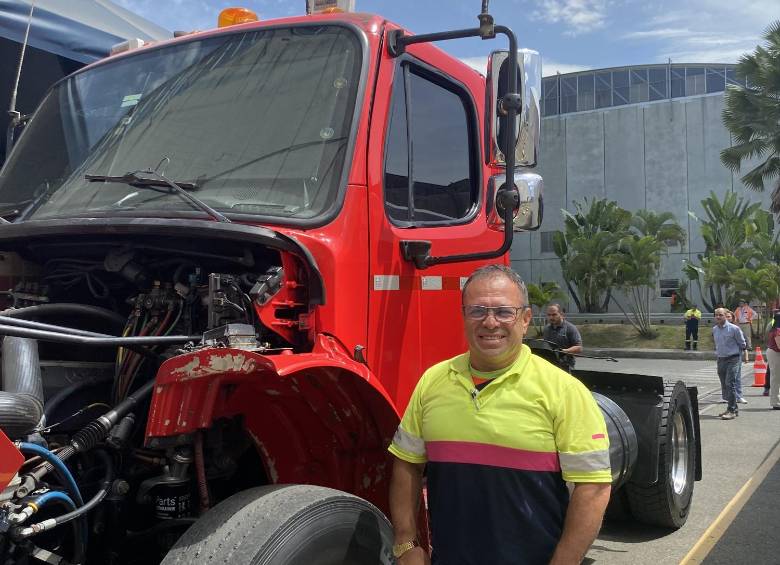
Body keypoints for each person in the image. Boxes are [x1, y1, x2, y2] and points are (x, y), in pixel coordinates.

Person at [388, 265, 611, 565]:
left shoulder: (565, 391)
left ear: (526, 320)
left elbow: (593, 487)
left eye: (504, 312)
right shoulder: (432, 382)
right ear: (464, 317)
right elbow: (407, 463)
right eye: (477, 311)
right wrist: (405, 543)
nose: (490, 322)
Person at [713, 307, 746, 420]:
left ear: (725, 315)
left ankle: (731, 410)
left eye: (720, 315)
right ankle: (732, 408)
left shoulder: (734, 329)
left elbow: (742, 343)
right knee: (724, 384)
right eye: (716, 315)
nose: (718, 317)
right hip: (721, 359)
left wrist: (739, 355)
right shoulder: (715, 329)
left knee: (729, 383)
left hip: (733, 359)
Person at [543, 303, 583, 371]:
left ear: (561, 314)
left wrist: (563, 351)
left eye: (554, 314)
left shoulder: (570, 328)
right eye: (549, 315)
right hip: (550, 366)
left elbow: (579, 348)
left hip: (566, 367)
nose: (551, 317)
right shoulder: (546, 329)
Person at [724, 311, 747, 404]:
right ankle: (726, 396)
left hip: (736, 356)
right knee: (725, 378)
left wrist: (745, 353)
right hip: (723, 356)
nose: (727, 318)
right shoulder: (717, 329)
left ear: (733, 318)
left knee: (736, 377)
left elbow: (743, 342)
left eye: (729, 317)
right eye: (726, 316)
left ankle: (739, 396)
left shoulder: (736, 328)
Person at [764, 312, 780, 409]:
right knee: (776, 379)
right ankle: (776, 403)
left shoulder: (773, 328)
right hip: (776, 353)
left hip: (773, 352)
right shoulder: (778, 330)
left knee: (777, 378)